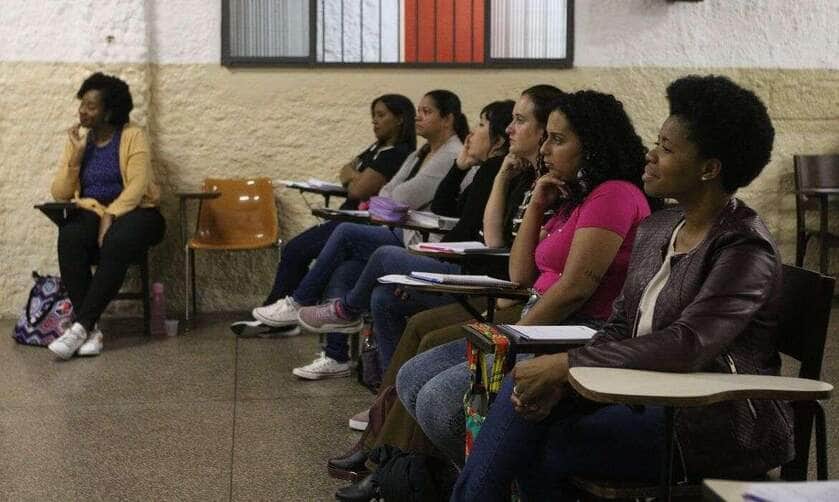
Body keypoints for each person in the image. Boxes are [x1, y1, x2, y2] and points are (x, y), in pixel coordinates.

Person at [453, 75, 790, 501]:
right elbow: (619, 325)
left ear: (709, 168)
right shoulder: (659, 227)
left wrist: (566, 366)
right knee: (525, 396)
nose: (649, 156)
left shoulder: (743, 247)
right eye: (656, 142)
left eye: (666, 150)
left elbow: (687, 344)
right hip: (639, 391)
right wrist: (561, 377)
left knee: (544, 439)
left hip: (708, 419)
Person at [398, 89, 654, 466]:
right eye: (546, 137)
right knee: (412, 376)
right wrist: (536, 203)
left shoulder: (613, 194)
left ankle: (495, 477)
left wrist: (509, 340)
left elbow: (575, 288)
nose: (546, 149)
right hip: (537, 320)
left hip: (573, 328)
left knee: (439, 402)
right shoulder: (574, 196)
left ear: (593, 146)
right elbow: (521, 274)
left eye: (558, 140)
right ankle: (471, 476)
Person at [256, 90, 468, 379]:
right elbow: (385, 193)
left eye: (427, 111)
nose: (419, 116)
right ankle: (336, 355)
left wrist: (393, 200)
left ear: (448, 119)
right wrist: (392, 200)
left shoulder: (451, 154)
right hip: (400, 232)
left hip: (419, 241)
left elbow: (402, 195)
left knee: (344, 233)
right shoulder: (422, 152)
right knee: (345, 267)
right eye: (418, 110)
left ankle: (301, 302)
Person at [296, 99, 516, 372]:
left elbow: (462, 229)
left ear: (498, 140)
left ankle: (341, 309)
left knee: (379, 252)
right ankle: (385, 395)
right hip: (449, 256)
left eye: (481, 125)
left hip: (470, 273)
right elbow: (442, 208)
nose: (471, 133)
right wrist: (460, 167)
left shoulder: (494, 171)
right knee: (378, 294)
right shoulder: (469, 165)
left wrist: (416, 264)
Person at [242, 94, 415, 336]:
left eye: (381, 115)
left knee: (298, 250)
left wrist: (356, 176)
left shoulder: (398, 154)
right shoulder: (376, 149)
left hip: (357, 222)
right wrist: (357, 175)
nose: (374, 122)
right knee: (297, 251)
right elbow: (344, 170)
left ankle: (287, 310)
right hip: (344, 217)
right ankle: (283, 312)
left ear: (399, 119)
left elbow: (356, 188)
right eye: (373, 116)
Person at [47, 72, 165, 359]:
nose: (82, 111)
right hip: (95, 212)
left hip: (139, 213)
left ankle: (81, 326)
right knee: (70, 235)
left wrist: (110, 215)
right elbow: (61, 194)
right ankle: (92, 329)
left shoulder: (132, 135)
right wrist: (74, 158)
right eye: (82, 104)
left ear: (109, 111)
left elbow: (137, 187)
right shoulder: (80, 141)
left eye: (90, 106)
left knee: (116, 240)